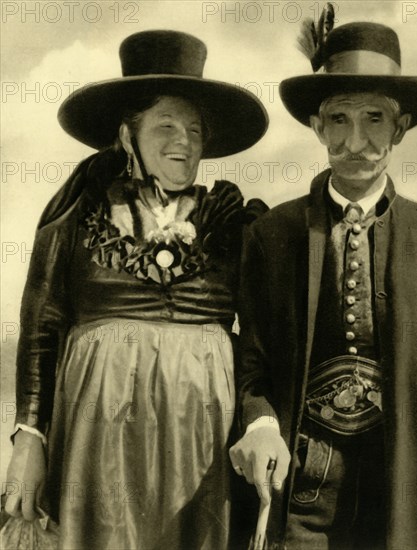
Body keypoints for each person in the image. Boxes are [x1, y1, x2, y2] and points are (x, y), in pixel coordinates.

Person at [229, 10, 417, 550]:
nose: (358, 140)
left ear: (401, 127)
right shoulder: (273, 236)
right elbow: (250, 363)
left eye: (375, 118)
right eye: (340, 120)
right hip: (304, 485)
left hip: (408, 484)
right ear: (316, 126)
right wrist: (260, 425)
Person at [4, 30, 268, 549]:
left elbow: (262, 340)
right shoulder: (77, 219)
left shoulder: (233, 223)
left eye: (194, 129)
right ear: (128, 136)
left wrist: (260, 423)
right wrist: (29, 438)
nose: (183, 142)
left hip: (201, 441)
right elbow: (42, 327)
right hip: (99, 437)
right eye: (165, 125)